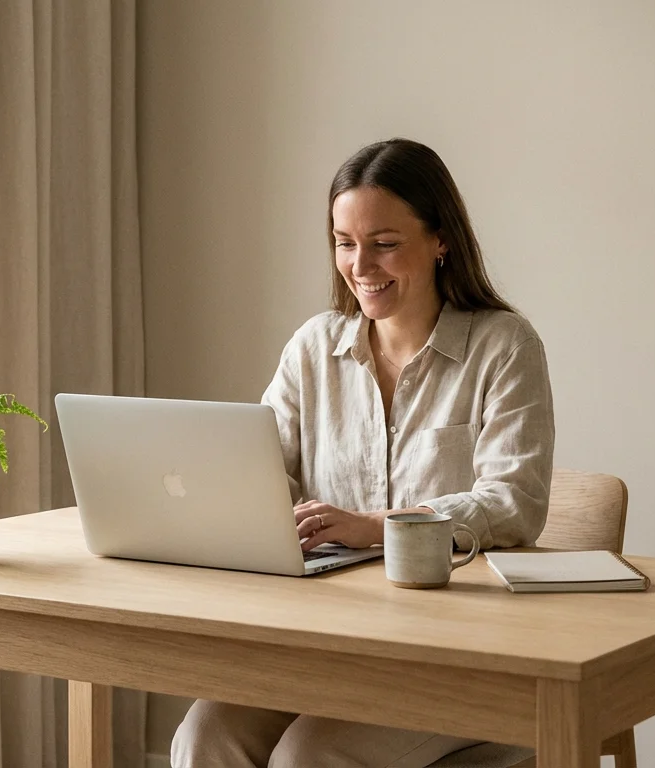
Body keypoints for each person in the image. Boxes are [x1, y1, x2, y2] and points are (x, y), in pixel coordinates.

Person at [171, 138, 555, 768]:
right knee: (203, 736)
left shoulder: (504, 346)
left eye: (384, 242)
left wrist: (375, 527)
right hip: (327, 644)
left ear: (440, 240)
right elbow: (256, 471)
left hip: (462, 658)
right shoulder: (313, 347)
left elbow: (514, 504)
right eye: (345, 243)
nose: (361, 264)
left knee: (306, 759)